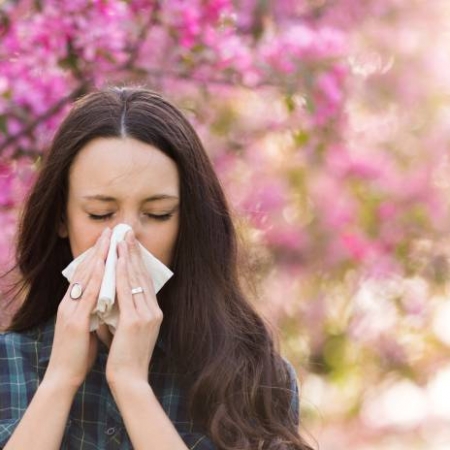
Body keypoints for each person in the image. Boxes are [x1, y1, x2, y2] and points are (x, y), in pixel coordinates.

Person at [0, 87, 312, 449]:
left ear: (187, 222)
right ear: (61, 218)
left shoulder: (253, 378)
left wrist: (131, 384)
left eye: (158, 214)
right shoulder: (9, 366)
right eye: (100, 214)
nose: (127, 236)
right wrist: (60, 379)